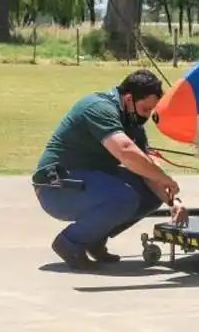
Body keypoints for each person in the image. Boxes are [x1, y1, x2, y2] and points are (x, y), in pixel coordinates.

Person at [32, 68, 187, 270]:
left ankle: (94, 239)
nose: (147, 116)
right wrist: (164, 178)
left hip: (86, 182)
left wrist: (173, 201)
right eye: (145, 109)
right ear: (129, 99)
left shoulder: (131, 122)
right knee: (124, 197)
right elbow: (125, 151)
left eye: (151, 111)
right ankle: (70, 243)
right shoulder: (98, 107)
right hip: (56, 188)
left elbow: (146, 166)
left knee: (149, 192)